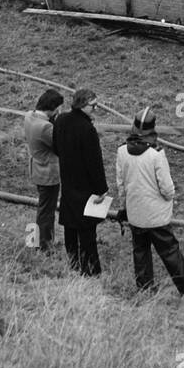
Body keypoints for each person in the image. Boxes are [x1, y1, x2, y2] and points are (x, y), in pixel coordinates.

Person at [114, 107, 184, 298]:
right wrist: (170, 197)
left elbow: (121, 184)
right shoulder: (157, 154)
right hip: (156, 217)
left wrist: (124, 208)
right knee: (170, 253)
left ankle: (145, 289)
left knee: (140, 252)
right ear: (153, 129)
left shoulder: (121, 151)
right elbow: (167, 189)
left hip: (135, 214)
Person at [52, 87, 108, 276]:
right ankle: (90, 268)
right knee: (86, 230)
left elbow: (56, 148)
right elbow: (95, 163)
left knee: (70, 225)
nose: (96, 109)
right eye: (93, 105)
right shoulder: (87, 129)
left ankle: (74, 262)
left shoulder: (61, 120)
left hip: (68, 180)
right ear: (82, 105)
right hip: (85, 185)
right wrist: (102, 189)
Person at [22, 87, 63, 252]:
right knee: (47, 211)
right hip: (48, 172)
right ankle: (44, 245)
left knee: (43, 208)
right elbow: (59, 145)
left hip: (37, 168)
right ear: (52, 108)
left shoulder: (29, 116)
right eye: (58, 107)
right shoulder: (46, 127)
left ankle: (38, 241)